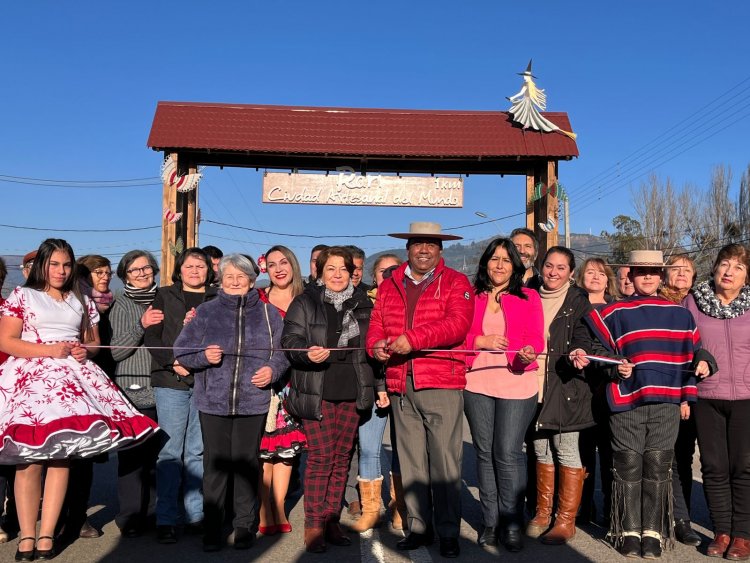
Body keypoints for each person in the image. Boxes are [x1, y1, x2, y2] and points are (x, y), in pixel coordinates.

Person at [0, 238, 158, 562]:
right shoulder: (22, 295)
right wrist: (48, 350)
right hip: (30, 381)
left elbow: (95, 343)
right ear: (43, 265)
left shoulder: (80, 299)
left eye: (66, 264)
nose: (60, 270)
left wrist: (85, 349)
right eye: (54, 264)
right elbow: (6, 340)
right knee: (28, 462)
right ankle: (26, 535)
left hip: (73, 381)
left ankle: (47, 535)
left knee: (62, 460)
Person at [571, 249, 713, 559]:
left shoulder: (681, 314)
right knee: (628, 464)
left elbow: (694, 356)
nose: (647, 276)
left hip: (666, 403)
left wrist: (694, 384)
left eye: (653, 272)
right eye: (640, 271)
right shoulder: (614, 312)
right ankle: (627, 529)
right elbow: (596, 349)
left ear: (661, 276)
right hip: (626, 401)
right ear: (631, 275)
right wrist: (613, 367)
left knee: (658, 465)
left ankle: (654, 531)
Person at [367, 222, 474, 559]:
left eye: (431, 244)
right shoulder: (389, 285)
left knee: (444, 461)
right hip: (400, 382)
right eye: (418, 244)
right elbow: (376, 326)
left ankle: (447, 532)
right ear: (408, 248)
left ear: (440, 250)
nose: (424, 250)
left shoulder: (457, 282)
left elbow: (458, 325)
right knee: (411, 462)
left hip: (440, 380)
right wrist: (376, 347)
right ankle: (418, 527)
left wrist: (412, 339)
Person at [174, 254, 289, 552]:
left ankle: (243, 525)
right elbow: (181, 350)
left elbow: (283, 351)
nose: (235, 281)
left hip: (253, 400)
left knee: (247, 463)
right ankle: (213, 526)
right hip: (212, 400)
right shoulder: (206, 312)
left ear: (252, 281)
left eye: (242, 277)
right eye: (229, 277)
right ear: (220, 281)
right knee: (215, 465)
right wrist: (203, 357)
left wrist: (272, 370)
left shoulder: (268, 314)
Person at [283, 246, 387, 553]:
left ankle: (331, 520)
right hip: (318, 390)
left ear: (353, 273)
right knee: (320, 458)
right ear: (319, 272)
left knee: (341, 458)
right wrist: (306, 352)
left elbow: (374, 350)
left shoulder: (364, 304)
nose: (338, 275)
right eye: (331, 269)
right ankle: (314, 524)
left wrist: (379, 385)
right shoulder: (305, 302)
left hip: (353, 391)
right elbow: (289, 341)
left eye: (343, 269)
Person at [463, 238, 544, 551]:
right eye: (494, 259)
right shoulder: (472, 296)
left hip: (516, 381)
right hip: (477, 383)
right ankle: (490, 522)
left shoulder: (529, 296)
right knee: (484, 453)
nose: (499, 265)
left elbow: (536, 337)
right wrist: (480, 340)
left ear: (515, 265)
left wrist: (527, 354)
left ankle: (511, 521)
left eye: (506, 260)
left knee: (507, 453)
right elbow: (461, 335)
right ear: (486, 263)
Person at [144, 247, 217, 544]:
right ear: (179, 269)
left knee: (197, 451)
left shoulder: (217, 297)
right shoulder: (164, 295)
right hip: (170, 380)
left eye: (200, 265)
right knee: (171, 451)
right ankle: (166, 519)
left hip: (206, 380)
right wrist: (174, 362)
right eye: (189, 265)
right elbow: (152, 335)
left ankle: (196, 515)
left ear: (208, 270)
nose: (195, 270)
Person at [684, 244, 750, 560]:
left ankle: (742, 535)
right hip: (707, 395)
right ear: (714, 268)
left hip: (747, 398)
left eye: (738, 267)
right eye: (725, 264)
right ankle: (722, 531)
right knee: (714, 466)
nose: (729, 272)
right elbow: (682, 345)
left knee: (745, 466)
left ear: (746, 275)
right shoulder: (692, 303)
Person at [526, 247, 594, 546]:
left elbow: (584, 335)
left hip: (565, 385)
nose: (553, 272)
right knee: (540, 448)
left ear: (571, 272)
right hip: (531, 382)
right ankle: (542, 513)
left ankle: (566, 520)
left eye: (561, 267)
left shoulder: (579, 300)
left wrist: (579, 352)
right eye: (549, 266)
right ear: (541, 267)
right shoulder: (528, 294)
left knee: (565, 449)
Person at [57, 255, 116, 542]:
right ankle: (57, 517)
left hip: (98, 381)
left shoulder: (109, 302)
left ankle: (78, 518)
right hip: (67, 382)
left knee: (85, 457)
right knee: (60, 455)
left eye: (107, 272)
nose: (104, 277)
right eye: (98, 272)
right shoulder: (72, 301)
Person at [346, 253, 405, 533]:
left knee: (403, 450)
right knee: (369, 448)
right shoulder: (362, 304)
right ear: (374, 276)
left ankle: (400, 507)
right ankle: (371, 510)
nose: (389, 275)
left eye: (395, 270)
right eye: (384, 271)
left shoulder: (409, 302)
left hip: (403, 385)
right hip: (371, 386)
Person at [109, 250, 163, 537]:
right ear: (125, 275)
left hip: (165, 387)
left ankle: (153, 514)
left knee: (157, 457)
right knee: (132, 458)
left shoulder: (164, 297)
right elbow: (117, 351)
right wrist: (141, 325)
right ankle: (129, 517)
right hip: (132, 390)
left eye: (146, 268)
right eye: (135, 270)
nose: (142, 274)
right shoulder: (122, 303)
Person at [256, 246, 307, 536]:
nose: (278, 269)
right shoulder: (257, 299)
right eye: (272, 264)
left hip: (297, 382)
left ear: (293, 265)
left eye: (284, 262)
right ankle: (265, 510)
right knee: (265, 451)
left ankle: (278, 507)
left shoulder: (307, 299)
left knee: (287, 453)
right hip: (265, 380)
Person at [659, 254, 701, 547]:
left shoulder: (701, 304)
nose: (682, 273)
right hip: (664, 389)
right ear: (665, 275)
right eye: (676, 269)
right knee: (666, 456)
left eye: (688, 270)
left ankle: (681, 515)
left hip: (701, 390)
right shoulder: (658, 303)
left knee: (684, 457)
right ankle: (670, 517)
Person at [575, 257, 618, 525]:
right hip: (579, 386)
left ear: (608, 279)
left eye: (601, 273)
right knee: (583, 452)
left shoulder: (618, 309)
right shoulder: (573, 307)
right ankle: (583, 506)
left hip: (609, 386)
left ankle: (611, 509)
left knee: (611, 452)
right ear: (581, 277)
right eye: (590, 272)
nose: (595, 277)